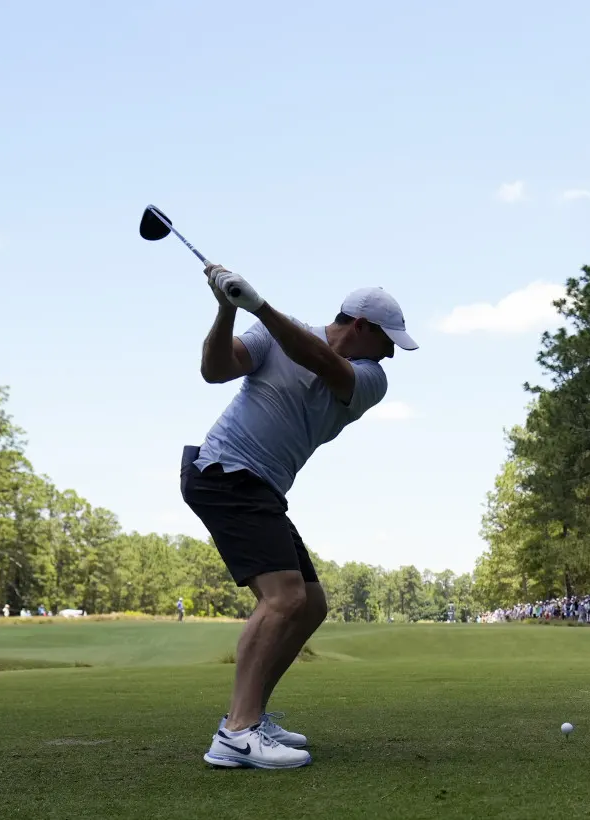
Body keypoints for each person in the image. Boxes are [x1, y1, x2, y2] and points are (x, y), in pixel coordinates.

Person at [182, 263, 417, 769]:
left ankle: (250, 717)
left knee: (310, 604)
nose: (393, 352)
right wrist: (227, 310)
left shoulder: (370, 378)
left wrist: (260, 308)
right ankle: (236, 732)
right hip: (225, 471)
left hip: (262, 486)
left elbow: (321, 361)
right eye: (388, 339)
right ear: (360, 326)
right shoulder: (272, 334)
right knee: (284, 596)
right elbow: (214, 369)